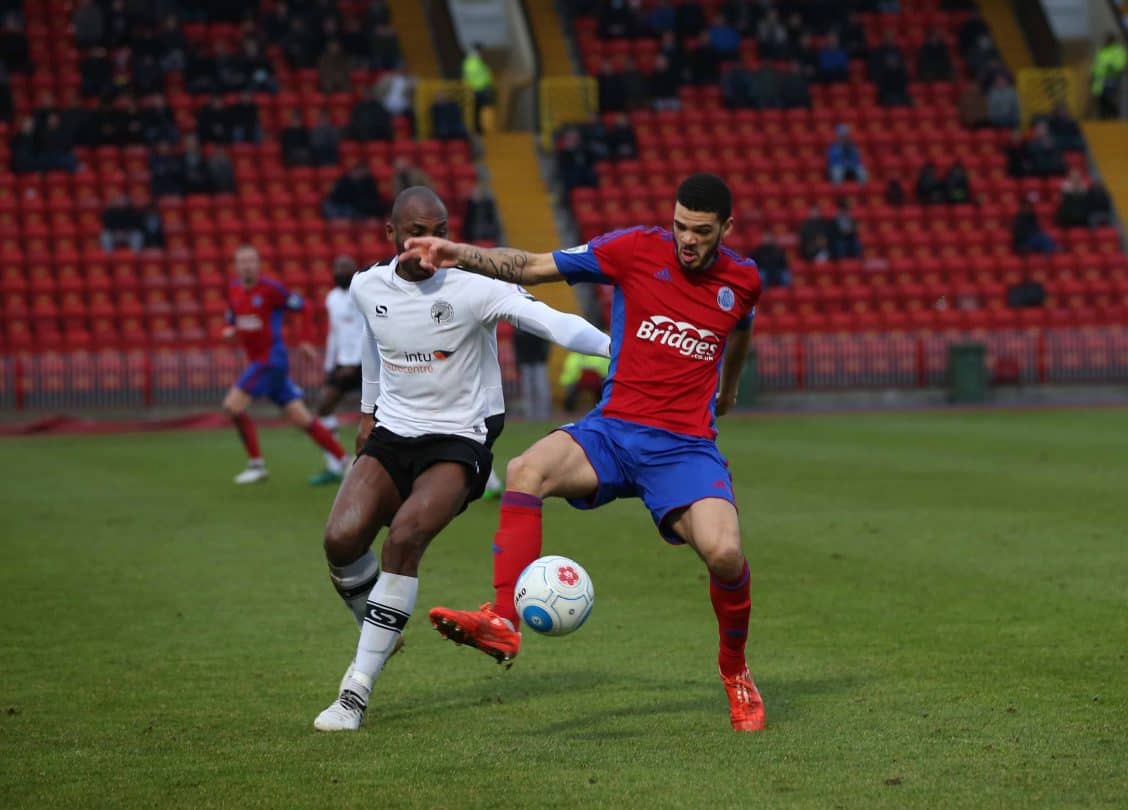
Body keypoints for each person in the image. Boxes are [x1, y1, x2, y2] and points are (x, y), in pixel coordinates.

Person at [411, 173, 767, 733]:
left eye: (701, 231)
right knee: (525, 470)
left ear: (727, 227)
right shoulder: (632, 249)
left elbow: (741, 329)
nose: (688, 241)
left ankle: (735, 670)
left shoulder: (743, 280)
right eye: (680, 227)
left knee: (725, 555)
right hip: (614, 431)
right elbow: (530, 267)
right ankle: (502, 619)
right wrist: (459, 254)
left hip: (684, 448)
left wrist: (730, 388)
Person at [312, 187, 611, 731]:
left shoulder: (478, 286)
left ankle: (354, 691)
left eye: (441, 232)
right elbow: (373, 343)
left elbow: (554, 323)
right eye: (416, 232)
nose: (429, 244)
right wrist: (366, 412)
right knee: (340, 540)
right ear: (392, 235)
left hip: (459, 440)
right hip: (393, 433)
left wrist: (620, 352)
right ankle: (381, 626)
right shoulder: (366, 286)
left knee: (403, 537)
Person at [221, 244, 350, 485]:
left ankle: (256, 464)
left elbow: (305, 307)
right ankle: (346, 462)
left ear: (258, 264)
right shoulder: (235, 290)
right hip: (263, 364)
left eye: (251, 261)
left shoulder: (271, 289)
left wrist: (305, 340)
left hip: (270, 360)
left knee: (232, 406)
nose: (247, 265)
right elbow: (232, 315)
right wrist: (229, 328)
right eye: (243, 261)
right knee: (302, 419)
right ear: (236, 266)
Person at [309, 255, 365, 486]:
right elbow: (335, 333)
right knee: (323, 410)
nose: (341, 272)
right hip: (342, 365)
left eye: (346, 268)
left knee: (382, 416)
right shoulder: (332, 298)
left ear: (355, 271)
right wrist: (330, 365)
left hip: (365, 364)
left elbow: (369, 330)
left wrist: (356, 362)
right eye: (338, 268)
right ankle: (334, 466)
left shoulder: (362, 296)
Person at [515, 329, 551, 420]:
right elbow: (516, 344)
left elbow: (547, 342)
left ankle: (544, 414)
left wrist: (545, 355)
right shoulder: (519, 326)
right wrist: (519, 360)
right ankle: (529, 414)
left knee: (541, 388)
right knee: (527, 389)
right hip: (525, 361)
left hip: (540, 360)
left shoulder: (538, 325)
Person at [1092, 34, 1126, 119]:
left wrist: (1111, 67)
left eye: (1108, 40)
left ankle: (1113, 115)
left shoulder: (1118, 51)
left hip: (1111, 78)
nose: (1106, 41)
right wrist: (1093, 74)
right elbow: (1097, 64)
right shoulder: (1103, 50)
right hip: (1099, 79)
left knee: (1109, 97)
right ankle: (1103, 118)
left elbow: (1120, 65)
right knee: (1100, 99)